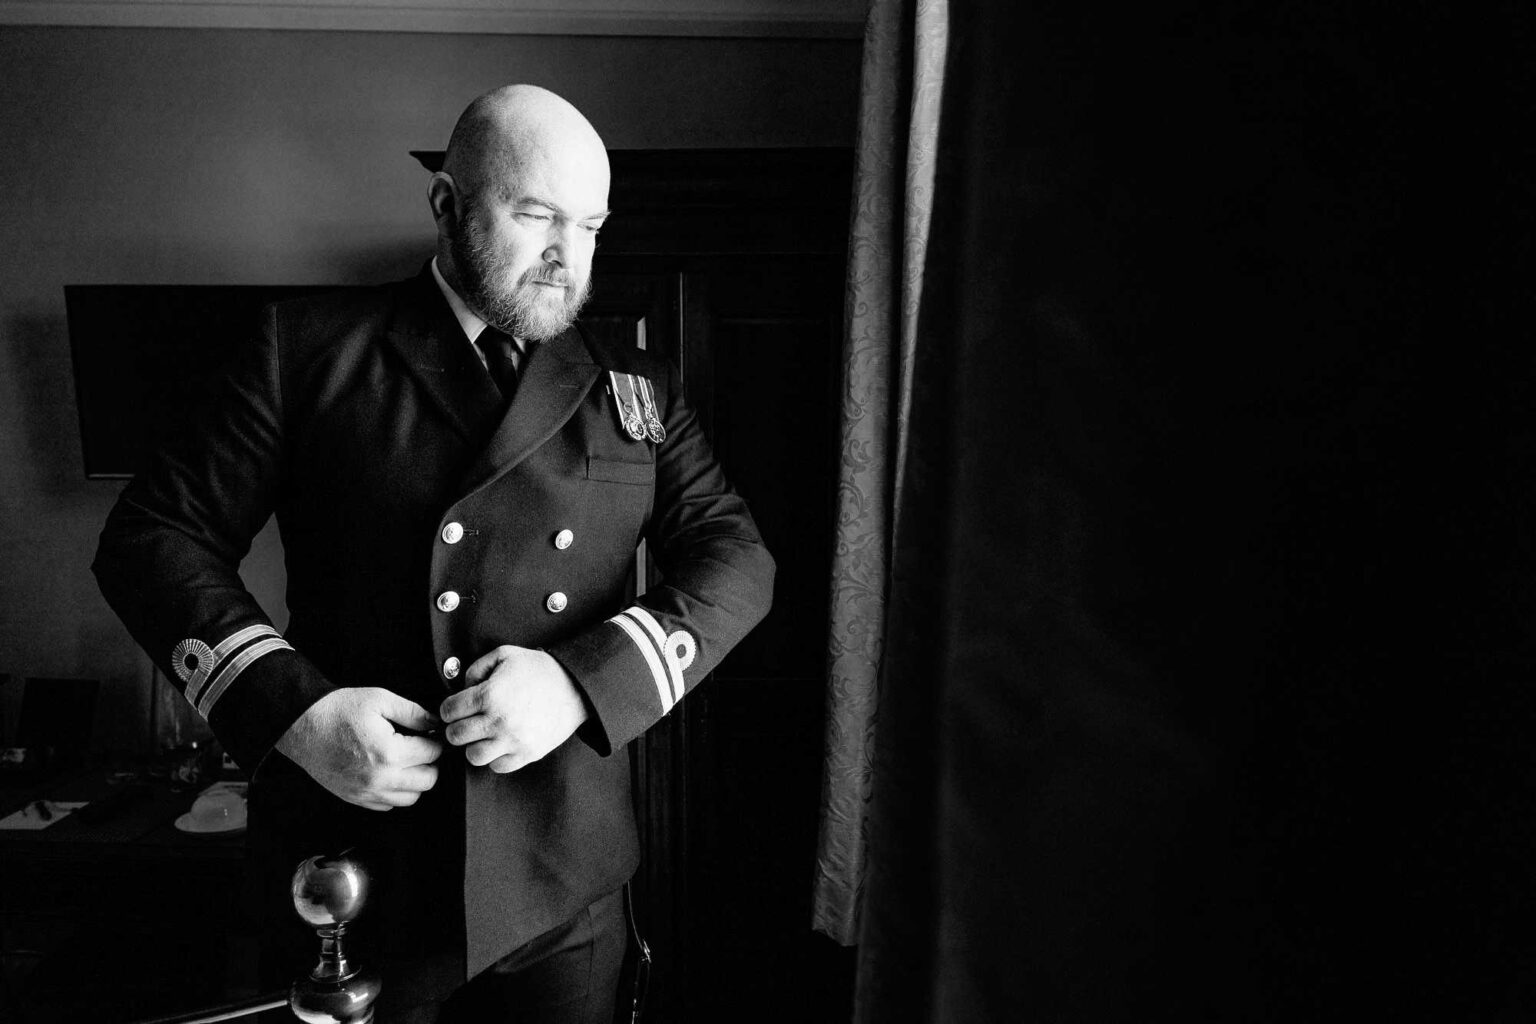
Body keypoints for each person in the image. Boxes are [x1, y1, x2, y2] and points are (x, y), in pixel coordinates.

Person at [92, 84, 775, 1023]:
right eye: (535, 215)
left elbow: (737, 561)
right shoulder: (306, 349)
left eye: (589, 225)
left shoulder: (634, 386)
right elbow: (152, 537)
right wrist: (299, 714)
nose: (564, 255)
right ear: (448, 204)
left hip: (562, 880)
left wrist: (583, 683)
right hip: (351, 867)